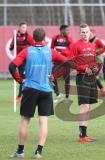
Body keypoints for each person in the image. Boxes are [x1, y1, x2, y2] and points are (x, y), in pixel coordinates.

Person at [9, 28, 69, 158]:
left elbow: (12, 66)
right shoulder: (50, 51)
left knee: (25, 120)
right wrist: (55, 75)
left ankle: (20, 151)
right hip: (46, 91)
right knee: (44, 121)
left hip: (30, 89)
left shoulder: (27, 51)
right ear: (44, 38)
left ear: (33, 38)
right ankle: (38, 151)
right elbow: (67, 63)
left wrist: (20, 81)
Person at [70, 23, 100, 143]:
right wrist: (83, 69)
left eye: (87, 32)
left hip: (91, 78)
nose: (85, 34)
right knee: (84, 106)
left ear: (90, 33)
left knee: (89, 106)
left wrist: (95, 68)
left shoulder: (92, 46)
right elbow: (71, 63)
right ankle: (81, 136)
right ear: (80, 33)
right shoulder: (75, 45)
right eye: (83, 32)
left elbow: (93, 61)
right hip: (82, 77)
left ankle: (85, 134)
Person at [9, 22, 35, 102]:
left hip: (26, 60)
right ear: (20, 28)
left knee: (22, 77)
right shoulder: (16, 36)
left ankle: (20, 95)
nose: (24, 29)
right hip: (19, 60)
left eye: (25, 27)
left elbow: (34, 46)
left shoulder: (29, 37)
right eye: (23, 27)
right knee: (20, 77)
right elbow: (11, 48)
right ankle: (23, 94)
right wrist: (13, 45)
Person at [51, 25, 74, 103]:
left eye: (69, 30)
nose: (68, 32)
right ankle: (57, 94)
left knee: (66, 80)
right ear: (61, 31)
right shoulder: (55, 38)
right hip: (57, 62)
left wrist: (62, 52)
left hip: (66, 62)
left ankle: (67, 97)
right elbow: (51, 48)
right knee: (52, 77)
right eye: (67, 30)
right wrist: (54, 54)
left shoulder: (69, 39)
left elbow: (72, 51)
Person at [89, 28, 105, 96]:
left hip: (98, 61)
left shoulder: (97, 40)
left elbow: (104, 48)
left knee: (93, 76)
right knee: (92, 76)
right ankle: (102, 89)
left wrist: (96, 53)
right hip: (91, 61)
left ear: (94, 34)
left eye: (90, 34)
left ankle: (100, 90)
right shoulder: (88, 41)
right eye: (88, 34)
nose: (89, 35)